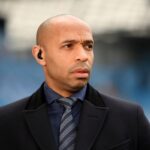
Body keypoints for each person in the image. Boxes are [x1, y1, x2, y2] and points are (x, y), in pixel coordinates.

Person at [0, 14, 150, 150]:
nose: (83, 56)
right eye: (68, 46)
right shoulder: (6, 121)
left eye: (88, 46)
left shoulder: (130, 117)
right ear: (40, 55)